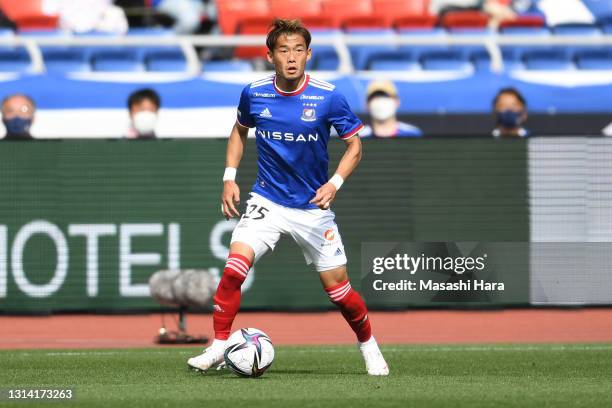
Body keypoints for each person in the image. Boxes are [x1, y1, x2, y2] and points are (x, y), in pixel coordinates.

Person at [187, 18, 389, 376]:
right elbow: (239, 131)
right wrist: (229, 178)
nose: (292, 57)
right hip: (267, 200)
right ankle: (218, 345)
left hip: (313, 208)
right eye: (283, 50)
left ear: (309, 54)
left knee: (340, 293)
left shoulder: (328, 96)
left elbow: (355, 145)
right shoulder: (255, 92)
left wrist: (334, 184)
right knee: (234, 270)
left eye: (298, 50)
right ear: (270, 56)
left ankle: (368, 345)